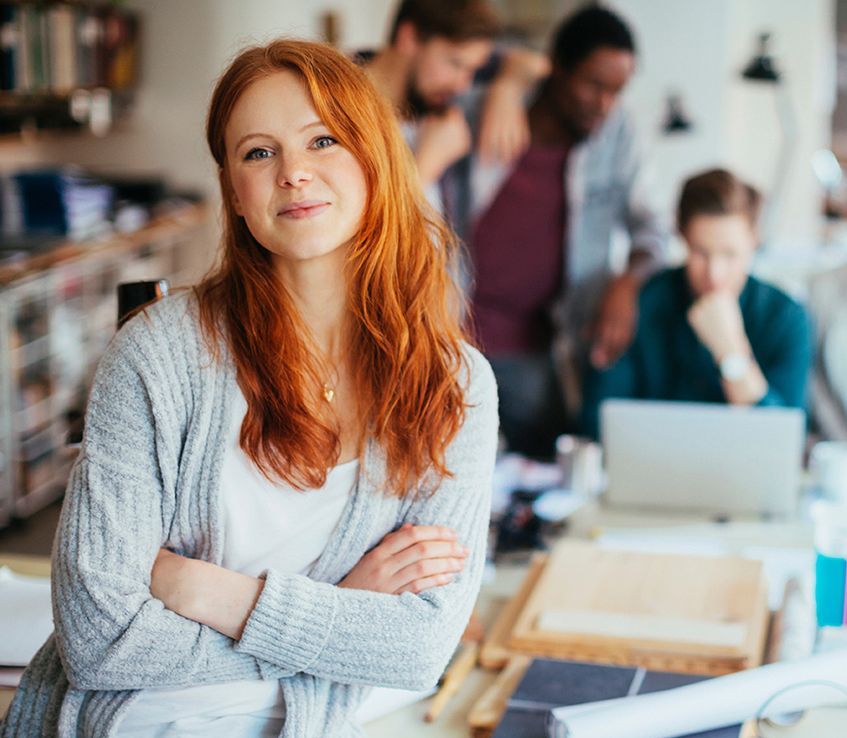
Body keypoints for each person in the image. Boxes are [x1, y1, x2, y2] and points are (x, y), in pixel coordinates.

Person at [1, 39, 498, 738]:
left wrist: (201, 588)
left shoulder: (455, 386)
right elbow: (98, 639)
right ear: (234, 192)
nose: (293, 173)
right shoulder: (158, 355)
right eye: (257, 153)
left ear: (375, 160)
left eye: (322, 141)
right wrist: (336, 614)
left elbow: (418, 648)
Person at [463, 4, 667, 458]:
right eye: (594, 85)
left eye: (617, 90)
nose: (604, 104)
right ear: (556, 68)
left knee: (545, 468)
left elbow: (653, 229)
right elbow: (441, 62)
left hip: (536, 350)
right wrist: (510, 80)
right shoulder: (484, 108)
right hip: (451, 337)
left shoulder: (619, 132)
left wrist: (627, 283)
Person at [581, 168, 812, 439]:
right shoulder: (640, 304)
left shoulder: (787, 318)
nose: (714, 274)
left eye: (729, 254)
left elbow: (783, 440)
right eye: (701, 252)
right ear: (682, 236)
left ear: (754, 239)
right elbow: (597, 423)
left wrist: (731, 354)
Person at [359, 0, 549, 214]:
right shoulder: (335, 110)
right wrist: (426, 165)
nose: (462, 85)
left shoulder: (435, 101)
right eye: (455, 64)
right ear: (409, 38)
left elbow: (534, 63)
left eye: (473, 70)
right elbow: (361, 230)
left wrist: (506, 89)